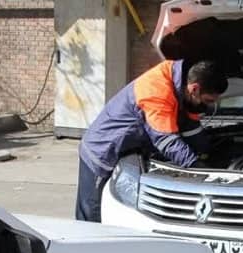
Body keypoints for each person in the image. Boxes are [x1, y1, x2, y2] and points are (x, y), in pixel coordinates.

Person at [75, 59, 228, 222]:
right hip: (103, 152)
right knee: (93, 216)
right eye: (208, 101)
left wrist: (208, 150)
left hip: (130, 149)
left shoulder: (182, 84)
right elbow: (167, 141)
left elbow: (190, 126)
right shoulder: (157, 89)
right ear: (194, 89)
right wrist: (197, 167)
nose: (209, 106)